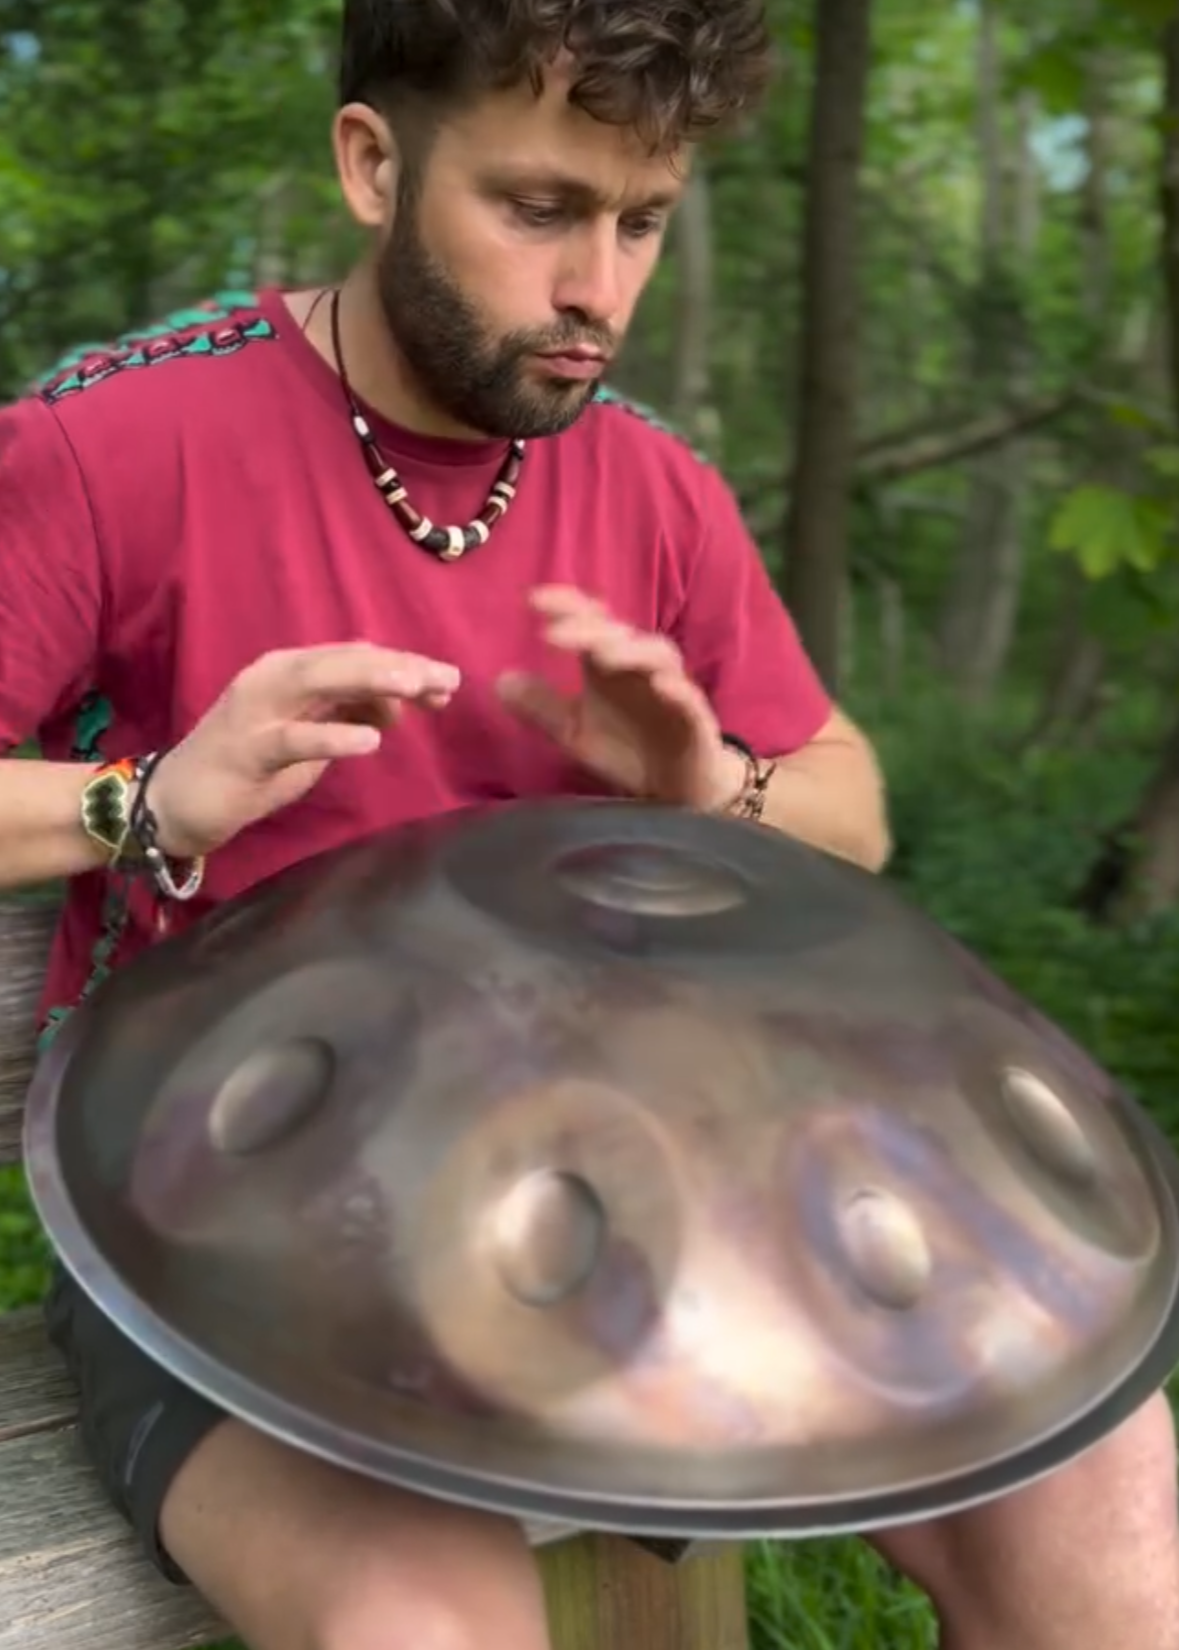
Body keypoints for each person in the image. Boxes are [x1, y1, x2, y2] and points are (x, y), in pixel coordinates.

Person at [0, 3, 1174, 1647]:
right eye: (539, 208)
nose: (596, 290)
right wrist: (146, 801)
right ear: (372, 165)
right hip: (244, 1231)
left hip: (661, 1184)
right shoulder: (111, 443)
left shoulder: (654, 486)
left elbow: (845, 806)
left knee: (1111, 1522)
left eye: (642, 222)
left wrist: (712, 790)